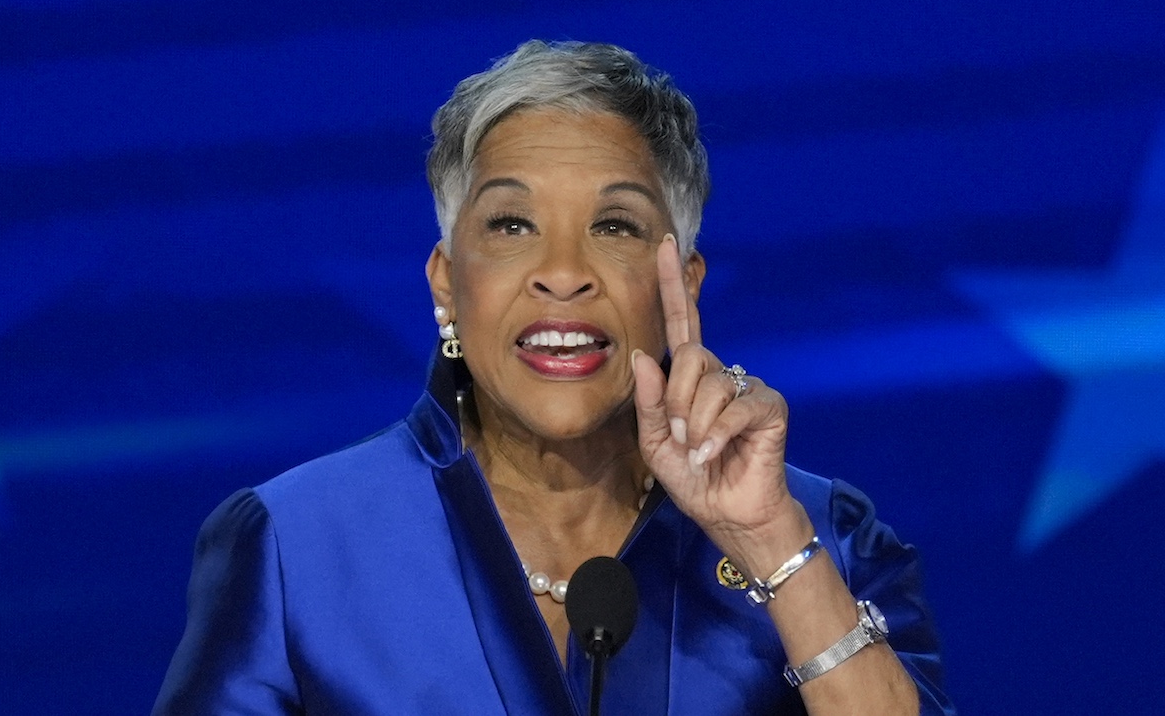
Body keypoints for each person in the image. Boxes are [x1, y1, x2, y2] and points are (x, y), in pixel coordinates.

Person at [153, 40, 954, 715]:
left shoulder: (827, 533)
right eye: (511, 224)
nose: (562, 273)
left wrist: (771, 542)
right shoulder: (296, 546)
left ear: (685, 283)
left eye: (615, 225)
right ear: (445, 282)